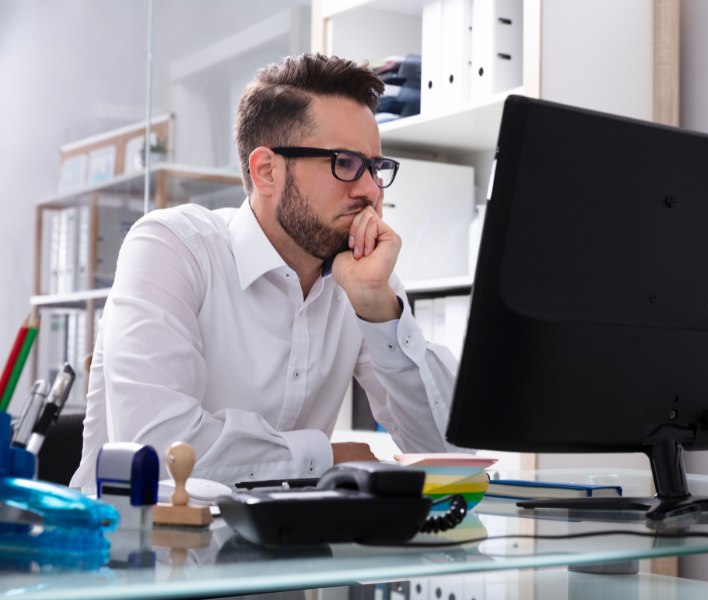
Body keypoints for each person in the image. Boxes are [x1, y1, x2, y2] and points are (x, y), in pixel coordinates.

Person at [71, 54, 465, 490]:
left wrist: (380, 312)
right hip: (138, 533)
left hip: (288, 533)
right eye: (345, 163)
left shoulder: (362, 279)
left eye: (375, 167)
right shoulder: (172, 247)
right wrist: (323, 458)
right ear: (266, 171)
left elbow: (453, 456)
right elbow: (158, 452)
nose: (371, 190)